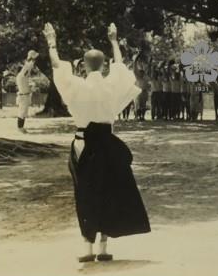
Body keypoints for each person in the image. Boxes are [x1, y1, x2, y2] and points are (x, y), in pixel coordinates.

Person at [43, 22, 150, 262]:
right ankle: (103, 247)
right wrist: (113, 40)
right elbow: (121, 68)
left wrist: (52, 41)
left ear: (82, 65)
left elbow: (57, 65)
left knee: (85, 194)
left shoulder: (76, 86)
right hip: (108, 146)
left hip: (83, 145)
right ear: (103, 65)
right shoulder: (111, 85)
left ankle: (87, 248)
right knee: (109, 192)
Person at [16, 50, 39, 133]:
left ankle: (21, 127)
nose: (35, 60)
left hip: (25, 93)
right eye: (35, 58)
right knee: (22, 111)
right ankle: (20, 128)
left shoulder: (27, 66)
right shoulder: (28, 65)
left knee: (24, 111)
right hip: (23, 95)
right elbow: (23, 76)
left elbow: (24, 77)